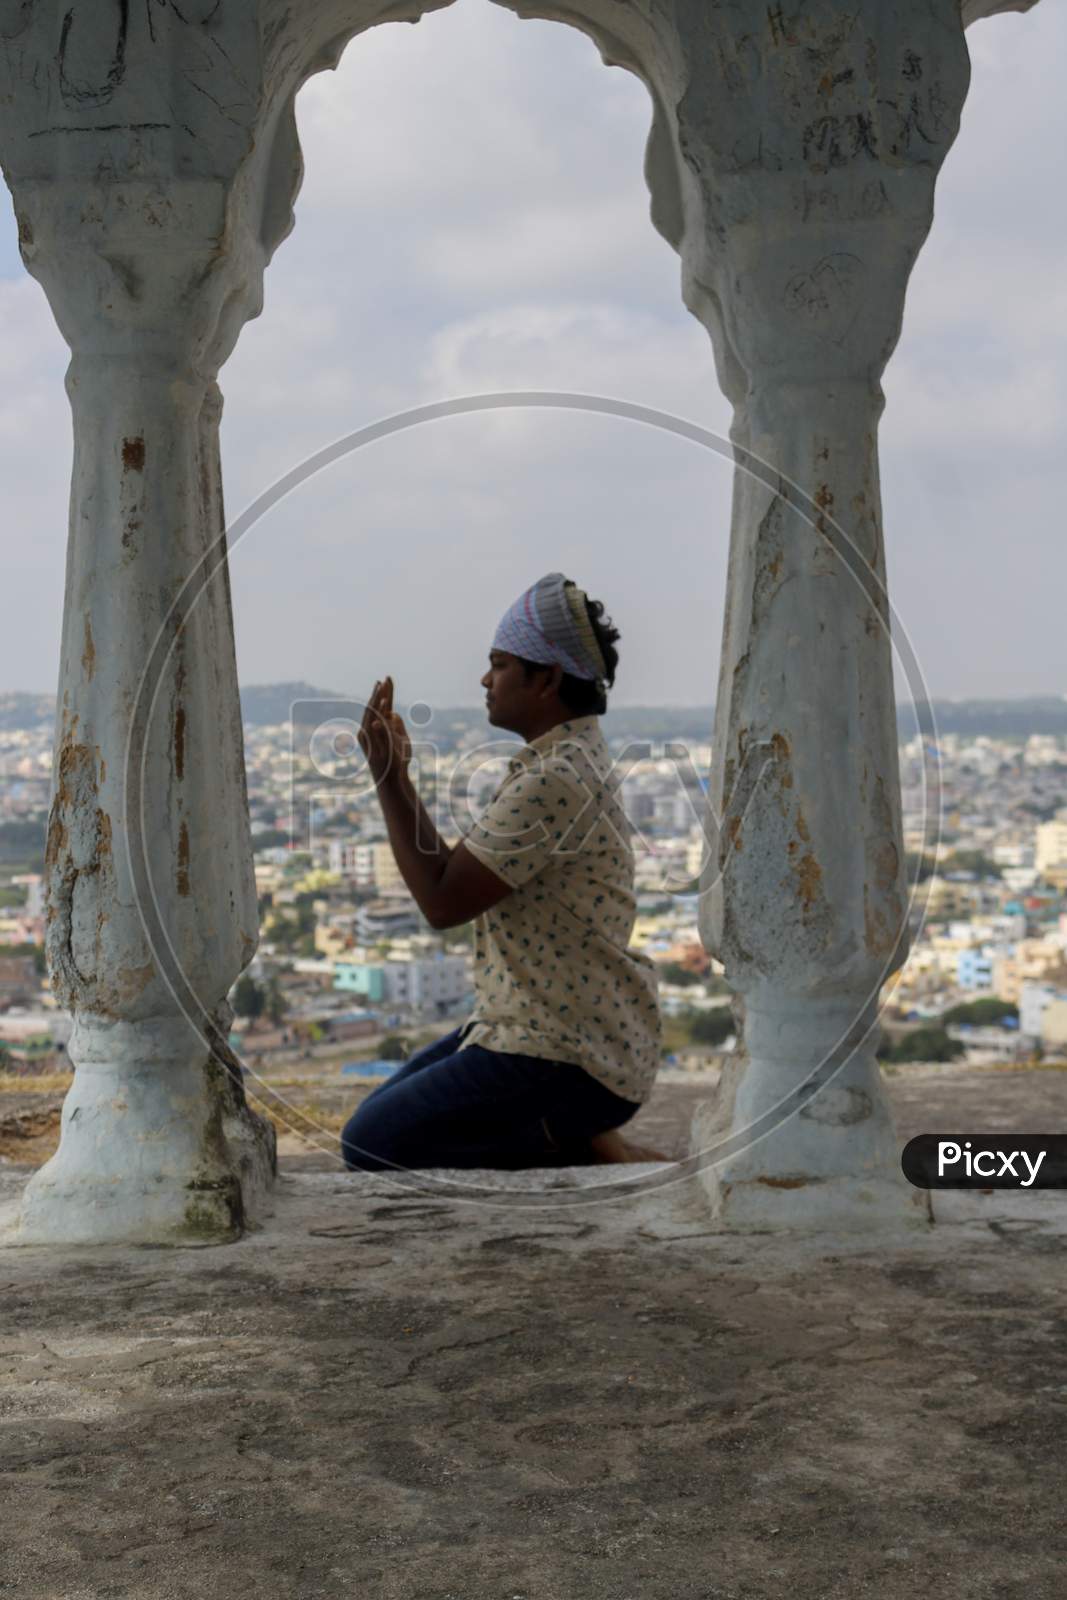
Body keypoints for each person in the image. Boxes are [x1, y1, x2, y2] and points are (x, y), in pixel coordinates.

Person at [339, 571, 665, 1172]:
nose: (486, 680)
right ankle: (574, 1133)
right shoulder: (566, 759)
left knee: (370, 1144)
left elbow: (442, 904)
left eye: (500, 664)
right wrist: (398, 778)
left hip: (559, 1050)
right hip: (539, 1029)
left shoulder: (553, 779)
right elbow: (454, 876)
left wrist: (388, 780)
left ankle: (574, 1140)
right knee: (378, 1119)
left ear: (547, 678)